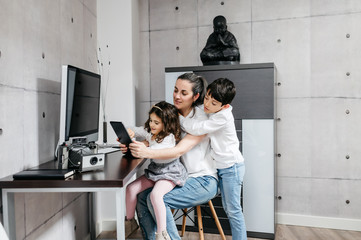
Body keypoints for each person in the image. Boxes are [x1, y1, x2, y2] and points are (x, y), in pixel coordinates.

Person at [120, 73, 218, 240]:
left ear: (195, 97)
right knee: (141, 196)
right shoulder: (172, 115)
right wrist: (133, 144)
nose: (177, 96)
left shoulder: (201, 121)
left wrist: (146, 151)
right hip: (180, 177)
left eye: (184, 93)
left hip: (202, 180)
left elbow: (178, 150)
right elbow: (157, 138)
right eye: (175, 90)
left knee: (155, 198)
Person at [180, 78, 247, 240]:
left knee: (233, 210)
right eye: (207, 97)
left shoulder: (223, 117)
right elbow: (197, 115)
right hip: (223, 167)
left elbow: (196, 128)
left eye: (213, 102)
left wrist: (178, 117)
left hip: (232, 168)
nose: (207, 104)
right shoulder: (210, 109)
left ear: (224, 106)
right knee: (229, 208)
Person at [125, 101, 187, 240]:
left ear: (166, 124)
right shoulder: (150, 131)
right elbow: (135, 129)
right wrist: (130, 132)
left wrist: (142, 146)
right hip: (155, 171)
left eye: (156, 122)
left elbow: (156, 151)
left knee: (155, 195)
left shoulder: (168, 137)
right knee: (131, 188)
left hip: (169, 173)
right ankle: (129, 222)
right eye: (151, 120)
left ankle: (162, 233)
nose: (152, 125)